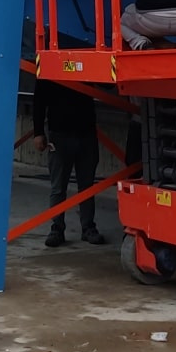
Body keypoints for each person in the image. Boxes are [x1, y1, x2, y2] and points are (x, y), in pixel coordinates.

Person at [31, 78, 107, 247]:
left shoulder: (87, 64)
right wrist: (38, 132)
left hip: (86, 133)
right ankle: (57, 228)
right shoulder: (49, 67)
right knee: (58, 186)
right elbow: (39, 99)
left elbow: (107, 84)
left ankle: (88, 227)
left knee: (87, 186)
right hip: (59, 133)